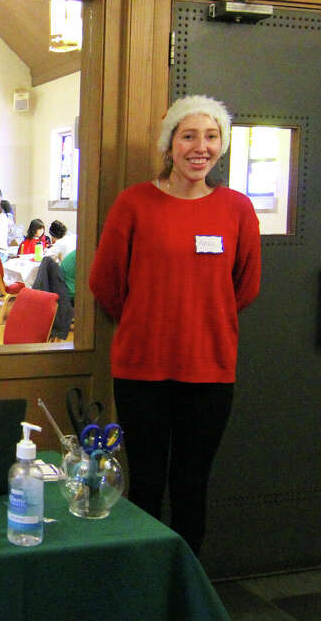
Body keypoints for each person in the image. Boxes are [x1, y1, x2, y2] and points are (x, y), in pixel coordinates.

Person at [89, 94, 261, 554]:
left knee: (192, 486)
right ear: (170, 145)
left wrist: (202, 317)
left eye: (210, 136)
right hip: (142, 366)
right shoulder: (135, 203)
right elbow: (105, 282)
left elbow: (245, 286)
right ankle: (143, 580)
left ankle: (185, 588)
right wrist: (151, 318)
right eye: (188, 136)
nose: (199, 147)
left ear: (221, 146)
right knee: (143, 485)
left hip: (210, 368)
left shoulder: (237, 209)